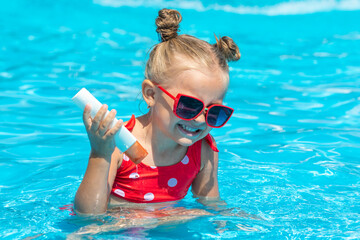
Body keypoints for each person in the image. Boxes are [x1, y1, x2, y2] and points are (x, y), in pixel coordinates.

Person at [74, 8, 240, 215]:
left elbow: (211, 207)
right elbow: (89, 216)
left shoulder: (203, 150)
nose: (199, 119)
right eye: (189, 105)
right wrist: (99, 154)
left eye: (214, 112)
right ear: (151, 94)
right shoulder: (118, 143)